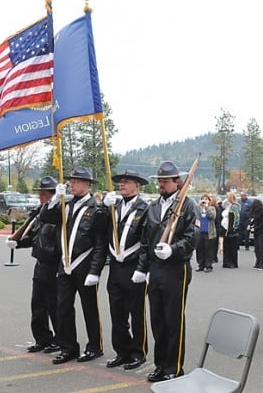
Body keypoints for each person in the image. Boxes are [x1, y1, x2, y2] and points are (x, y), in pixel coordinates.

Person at [134, 161, 199, 382]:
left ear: (177, 182)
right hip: (155, 268)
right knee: (157, 320)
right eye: (159, 181)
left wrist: (173, 249)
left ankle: (174, 366)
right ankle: (160, 364)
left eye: (165, 181)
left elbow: (192, 238)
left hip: (175, 268)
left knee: (173, 321)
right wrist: (142, 268)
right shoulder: (153, 207)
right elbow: (145, 241)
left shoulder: (188, 206)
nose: (161, 184)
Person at [41, 167, 109, 365]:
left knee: (89, 309)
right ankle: (68, 347)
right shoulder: (64, 204)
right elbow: (45, 217)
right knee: (63, 308)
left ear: (88, 184)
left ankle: (94, 347)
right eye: (71, 181)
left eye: (77, 181)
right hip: (65, 265)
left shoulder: (96, 209)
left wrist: (95, 271)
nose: (73, 184)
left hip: (85, 264)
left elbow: (100, 243)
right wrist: (54, 199)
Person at [6, 176, 60, 354]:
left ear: (51, 195)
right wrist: (18, 243)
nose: (39, 197)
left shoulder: (58, 211)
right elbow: (34, 237)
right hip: (40, 263)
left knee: (54, 305)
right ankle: (42, 338)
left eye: (43, 194)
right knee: (38, 305)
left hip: (54, 264)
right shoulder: (40, 212)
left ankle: (60, 340)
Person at [102, 169, 149, 370]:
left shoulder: (145, 208)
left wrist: (142, 268)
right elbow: (101, 231)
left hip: (133, 266)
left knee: (136, 313)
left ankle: (138, 352)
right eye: (120, 182)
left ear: (137, 186)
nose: (121, 185)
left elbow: (146, 241)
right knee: (117, 312)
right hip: (115, 267)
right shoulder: (114, 206)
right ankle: (121, 351)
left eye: (126, 182)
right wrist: (103, 208)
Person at [195, 193, 217, 273]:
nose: (204, 200)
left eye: (206, 199)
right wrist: (198, 205)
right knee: (199, 249)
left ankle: (208, 265)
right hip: (200, 231)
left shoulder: (211, 208)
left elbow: (212, 216)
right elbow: (194, 215)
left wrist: (206, 207)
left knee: (208, 250)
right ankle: (200, 264)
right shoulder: (198, 209)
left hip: (208, 232)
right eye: (203, 199)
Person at [220, 192, 241, 268]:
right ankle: (226, 262)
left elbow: (236, 218)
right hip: (225, 229)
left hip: (231, 230)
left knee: (232, 247)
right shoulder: (229, 206)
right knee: (227, 246)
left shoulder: (234, 207)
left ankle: (232, 262)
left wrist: (234, 228)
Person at [249, 198, 263, 270]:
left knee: (261, 248)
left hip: (261, 232)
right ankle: (258, 262)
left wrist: (255, 228)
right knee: (256, 248)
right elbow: (253, 220)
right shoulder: (255, 212)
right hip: (256, 232)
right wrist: (250, 225)